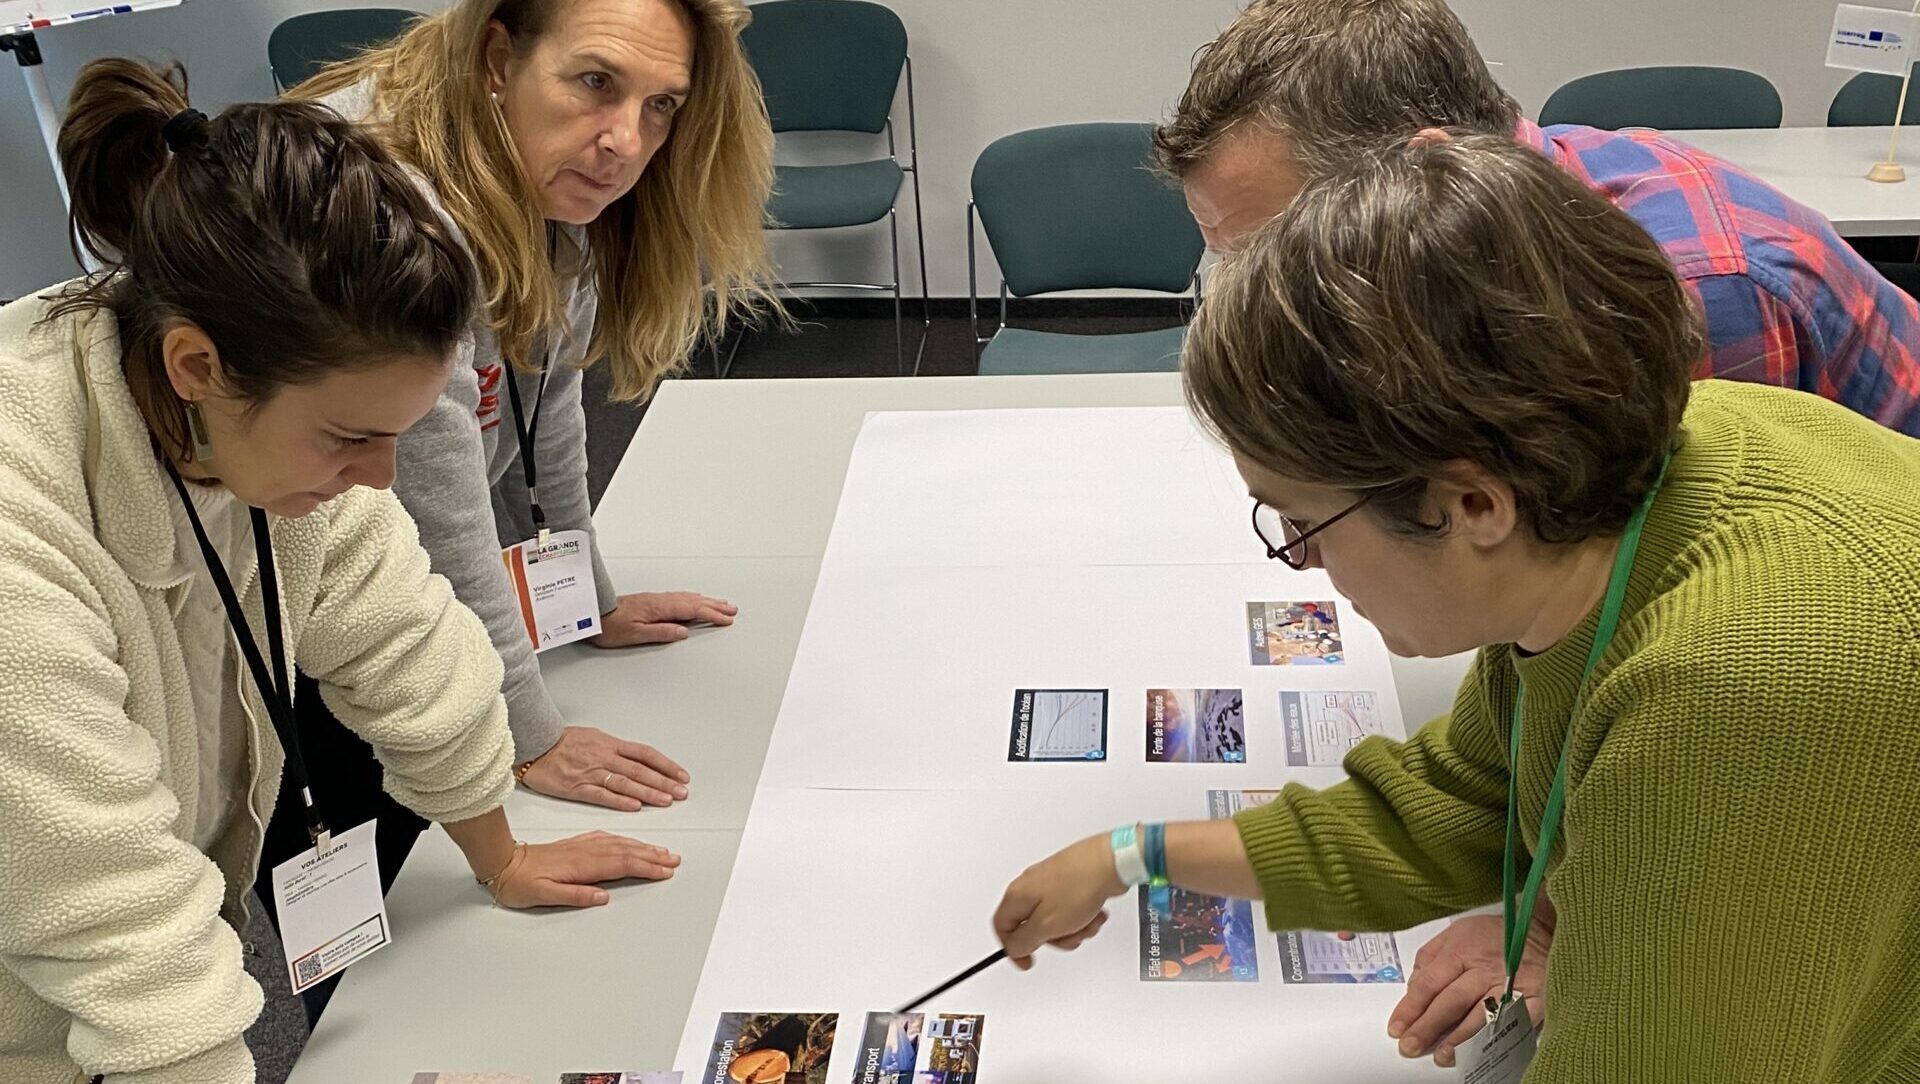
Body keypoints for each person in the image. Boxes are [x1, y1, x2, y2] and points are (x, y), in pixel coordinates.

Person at [992, 135, 1920, 1081]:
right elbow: (1454, 804)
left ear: (1473, 504)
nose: (1301, 564)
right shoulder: (1605, 511)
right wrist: (1128, 854)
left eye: (1303, 522)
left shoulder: (1740, 696)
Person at [0, 60, 679, 1084]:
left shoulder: (247, 392)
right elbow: (122, 932)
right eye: (348, 439)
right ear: (196, 368)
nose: (381, 477)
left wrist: (501, 856)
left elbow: (413, 648)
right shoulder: (20, 532)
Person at [263, 0, 776, 922]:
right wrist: (529, 735)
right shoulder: (388, 213)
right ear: (499, 55)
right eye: (595, 83)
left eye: (663, 105)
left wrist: (587, 598)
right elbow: (431, 506)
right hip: (291, 596)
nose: (625, 139)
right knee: (372, 905)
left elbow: (549, 392)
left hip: (365, 585)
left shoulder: (527, 171)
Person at [1155, 0, 1920, 440]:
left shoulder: (1686, 290)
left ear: (1425, 171)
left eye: (1276, 251)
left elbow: (1712, 593)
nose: (1260, 291)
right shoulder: (1492, 212)